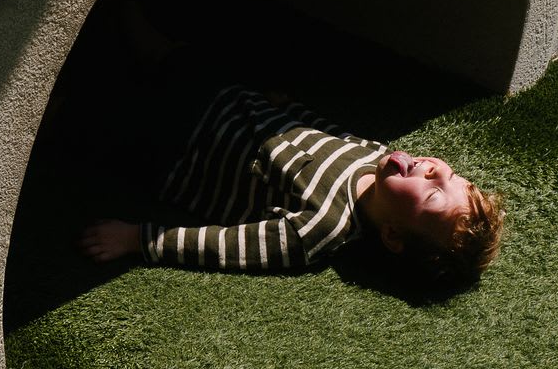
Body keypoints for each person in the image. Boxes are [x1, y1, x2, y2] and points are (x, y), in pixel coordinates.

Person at [75, 80, 504, 289]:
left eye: (433, 192)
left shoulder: (320, 228)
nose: (435, 170)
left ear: (392, 234)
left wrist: (138, 238)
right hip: (233, 103)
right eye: (449, 175)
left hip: (180, 150)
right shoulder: (379, 158)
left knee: (100, 112)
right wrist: (293, 109)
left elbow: (227, 246)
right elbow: (332, 136)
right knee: (180, 65)